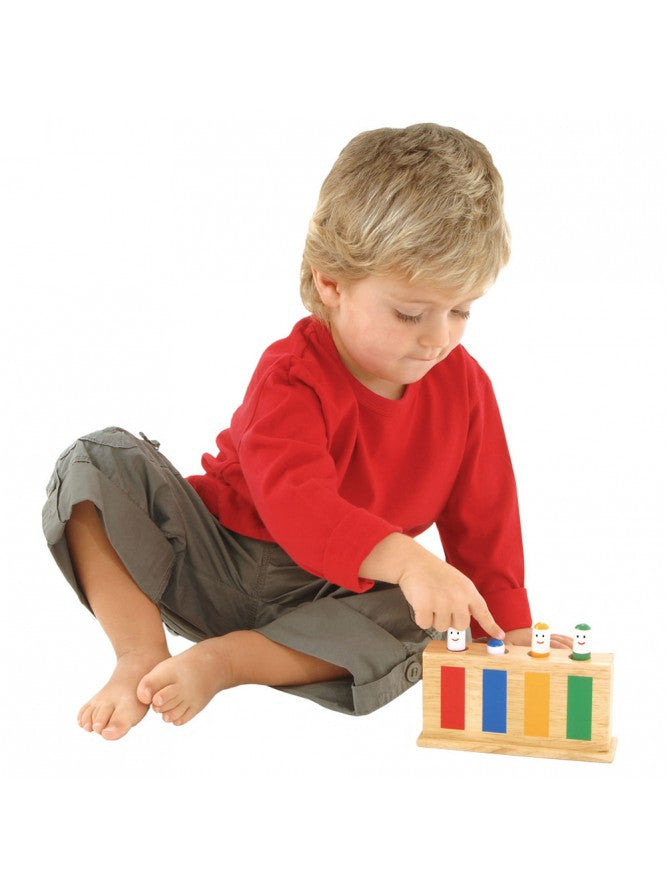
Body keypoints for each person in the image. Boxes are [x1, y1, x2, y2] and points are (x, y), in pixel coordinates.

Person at [41, 122, 573, 741]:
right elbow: (297, 503)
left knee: (436, 616)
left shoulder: (466, 389)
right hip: (216, 560)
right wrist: (407, 558)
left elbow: (487, 521)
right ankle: (139, 654)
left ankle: (229, 662)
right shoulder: (292, 375)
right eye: (409, 313)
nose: (438, 339)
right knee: (95, 460)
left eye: (460, 311)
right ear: (331, 282)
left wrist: (506, 631)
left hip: (332, 601)